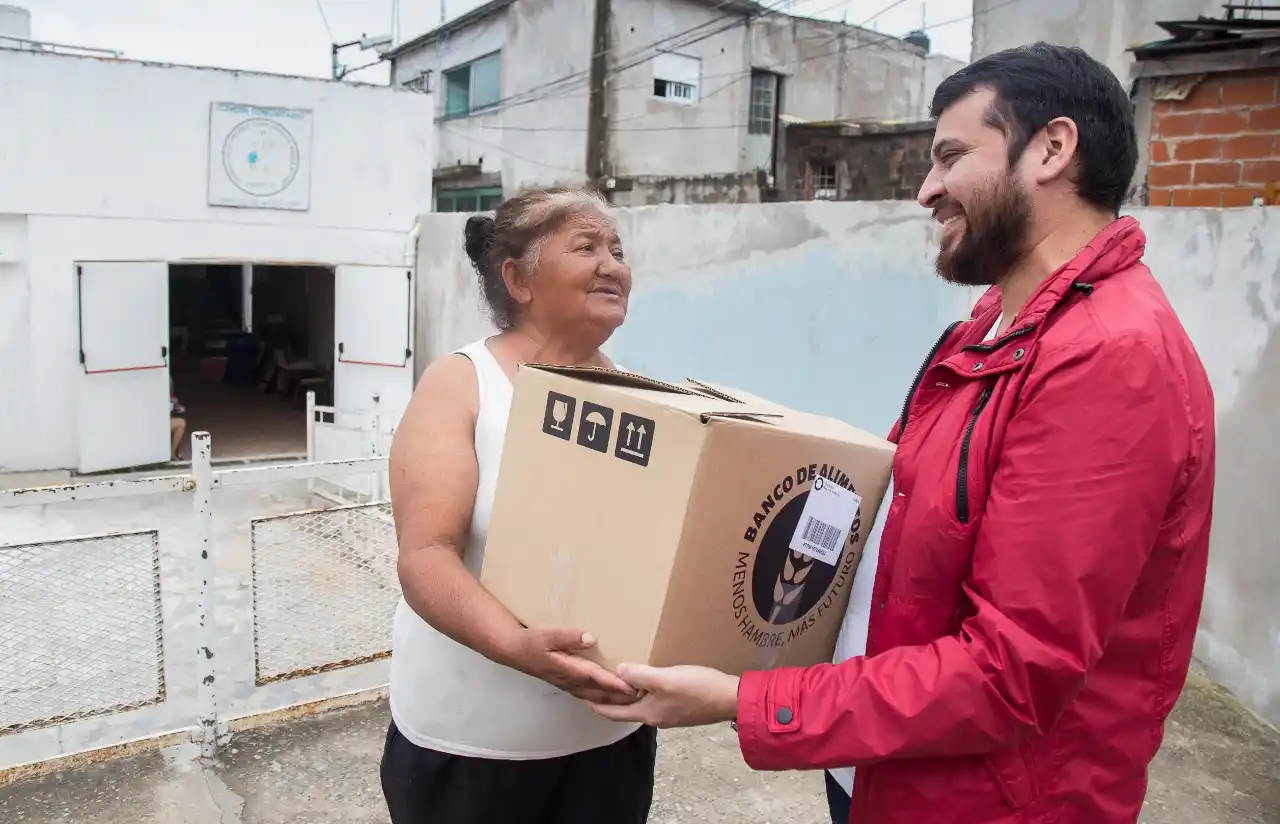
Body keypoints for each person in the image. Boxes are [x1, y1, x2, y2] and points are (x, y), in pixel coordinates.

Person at [589, 43, 1215, 824]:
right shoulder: (989, 328)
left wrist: (747, 701)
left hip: (985, 804)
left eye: (951, 157)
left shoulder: (1109, 359)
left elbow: (1011, 673)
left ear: (1052, 149)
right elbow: (901, 519)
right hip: (889, 771)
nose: (927, 191)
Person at [381, 187, 657, 824]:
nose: (612, 264)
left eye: (617, 249)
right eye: (586, 247)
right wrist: (518, 645)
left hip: (608, 743)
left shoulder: (638, 395)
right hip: (472, 751)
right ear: (518, 278)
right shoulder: (463, 384)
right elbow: (425, 557)